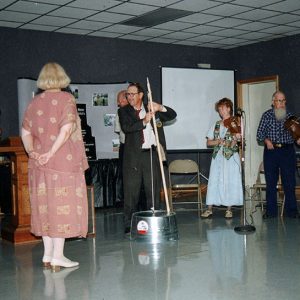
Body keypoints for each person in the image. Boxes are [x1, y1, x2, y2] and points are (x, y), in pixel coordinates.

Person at [21, 62, 89, 271]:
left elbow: (25, 132)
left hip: (38, 165)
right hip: (62, 164)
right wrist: (51, 153)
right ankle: (58, 256)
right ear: (62, 78)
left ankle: (47, 255)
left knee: (45, 207)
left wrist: (33, 153)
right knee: (61, 207)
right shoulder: (67, 98)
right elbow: (67, 129)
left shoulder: (34, 102)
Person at [118, 82, 176, 233]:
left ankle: (154, 220)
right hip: (133, 157)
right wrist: (144, 121)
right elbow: (127, 127)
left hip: (151, 155)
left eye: (132, 94)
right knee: (131, 192)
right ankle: (128, 225)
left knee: (153, 190)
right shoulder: (124, 111)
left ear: (141, 95)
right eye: (128, 94)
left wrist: (160, 107)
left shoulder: (151, 108)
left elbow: (172, 115)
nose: (129, 97)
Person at [256, 90, 300, 218]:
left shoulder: (291, 116)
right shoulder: (266, 116)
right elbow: (259, 134)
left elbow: (297, 137)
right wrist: (266, 140)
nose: (281, 103)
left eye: (283, 100)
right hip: (271, 152)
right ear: (273, 102)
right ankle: (271, 212)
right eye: (279, 101)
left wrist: (298, 139)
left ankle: (292, 212)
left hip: (287, 151)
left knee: (289, 182)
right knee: (271, 182)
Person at [201, 98, 243, 219]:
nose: (221, 111)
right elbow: (208, 143)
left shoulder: (236, 122)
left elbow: (238, 141)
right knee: (214, 180)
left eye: (223, 108)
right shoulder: (216, 124)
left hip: (231, 157)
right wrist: (217, 141)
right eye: (219, 109)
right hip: (218, 157)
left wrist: (236, 139)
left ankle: (229, 209)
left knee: (229, 180)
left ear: (229, 108)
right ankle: (209, 208)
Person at [114, 90, 128, 204]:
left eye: (120, 100)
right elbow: (118, 130)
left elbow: (118, 130)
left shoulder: (121, 112)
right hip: (124, 147)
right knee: (123, 174)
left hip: (130, 147)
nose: (119, 103)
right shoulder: (120, 112)